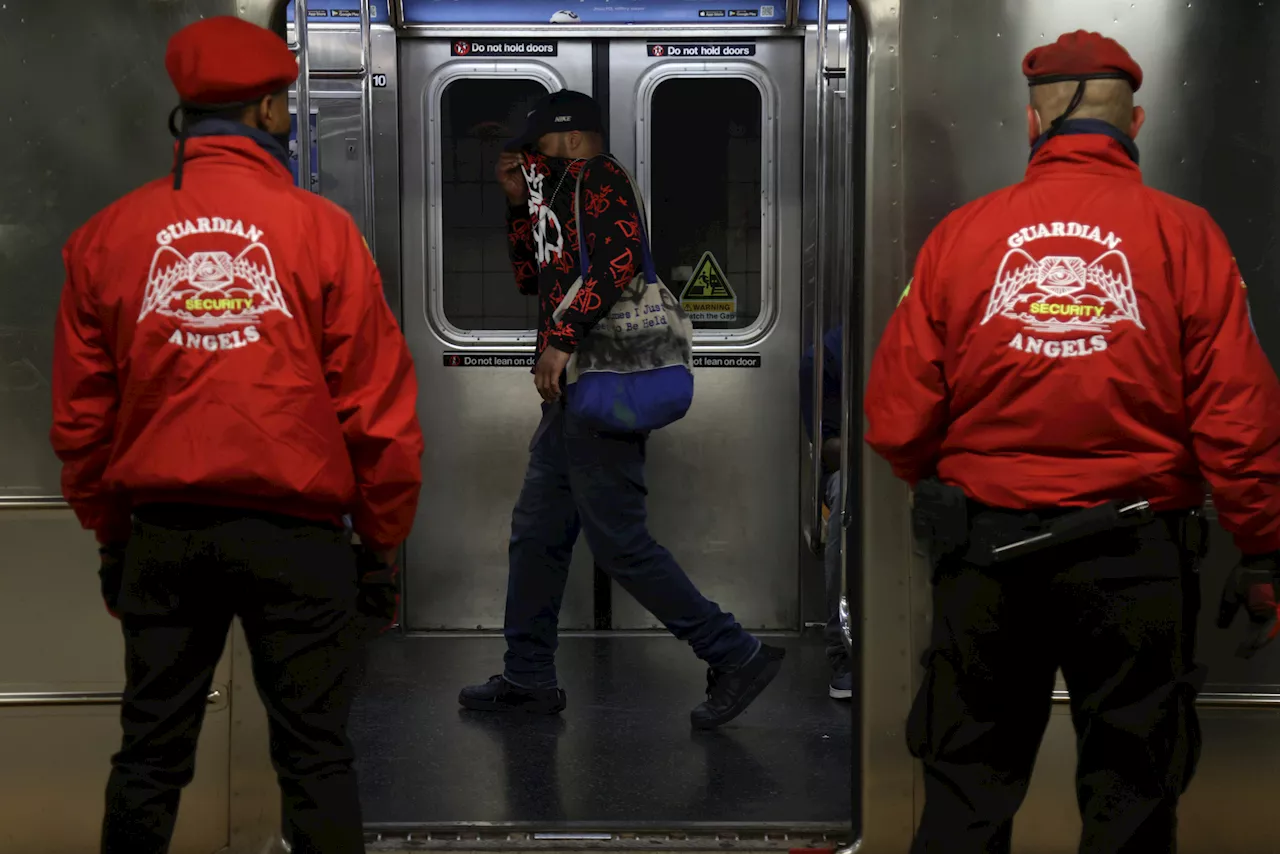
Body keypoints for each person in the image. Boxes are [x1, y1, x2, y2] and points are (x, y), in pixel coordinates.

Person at [864, 30, 1280, 854]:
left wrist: (953, 490)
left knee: (967, 791)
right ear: (1139, 121)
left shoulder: (961, 236)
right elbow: (1238, 417)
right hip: (1137, 561)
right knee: (1130, 801)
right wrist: (1263, 549)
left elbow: (893, 417)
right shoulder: (1187, 236)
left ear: (1033, 123)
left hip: (986, 559)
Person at [49, 17, 424, 854]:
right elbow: (378, 411)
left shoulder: (105, 239)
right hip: (300, 540)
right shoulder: (323, 233)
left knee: (149, 755)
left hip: (166, 536)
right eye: (285, 104)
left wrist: (114, 539)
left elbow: (82, 419)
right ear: (264, 110)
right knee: (317, 757)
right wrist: (379, 547)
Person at [457, 89, 784, 729]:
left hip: (605, 383)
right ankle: (528, 676)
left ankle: (733, 651)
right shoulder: (556, 192)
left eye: (537, 144)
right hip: (572, 397)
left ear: (574, 136)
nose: (530, 155)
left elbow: (621, 260)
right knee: (538, 535)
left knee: (619, 541)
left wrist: (559, 338)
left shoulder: (599, 177)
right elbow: (533, 277)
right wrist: (519, 205)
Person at [799, 324, 851, 699]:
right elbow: (830, 449)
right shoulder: (827, 356)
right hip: (858, 458)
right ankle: (844, 651)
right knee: (849, 494)